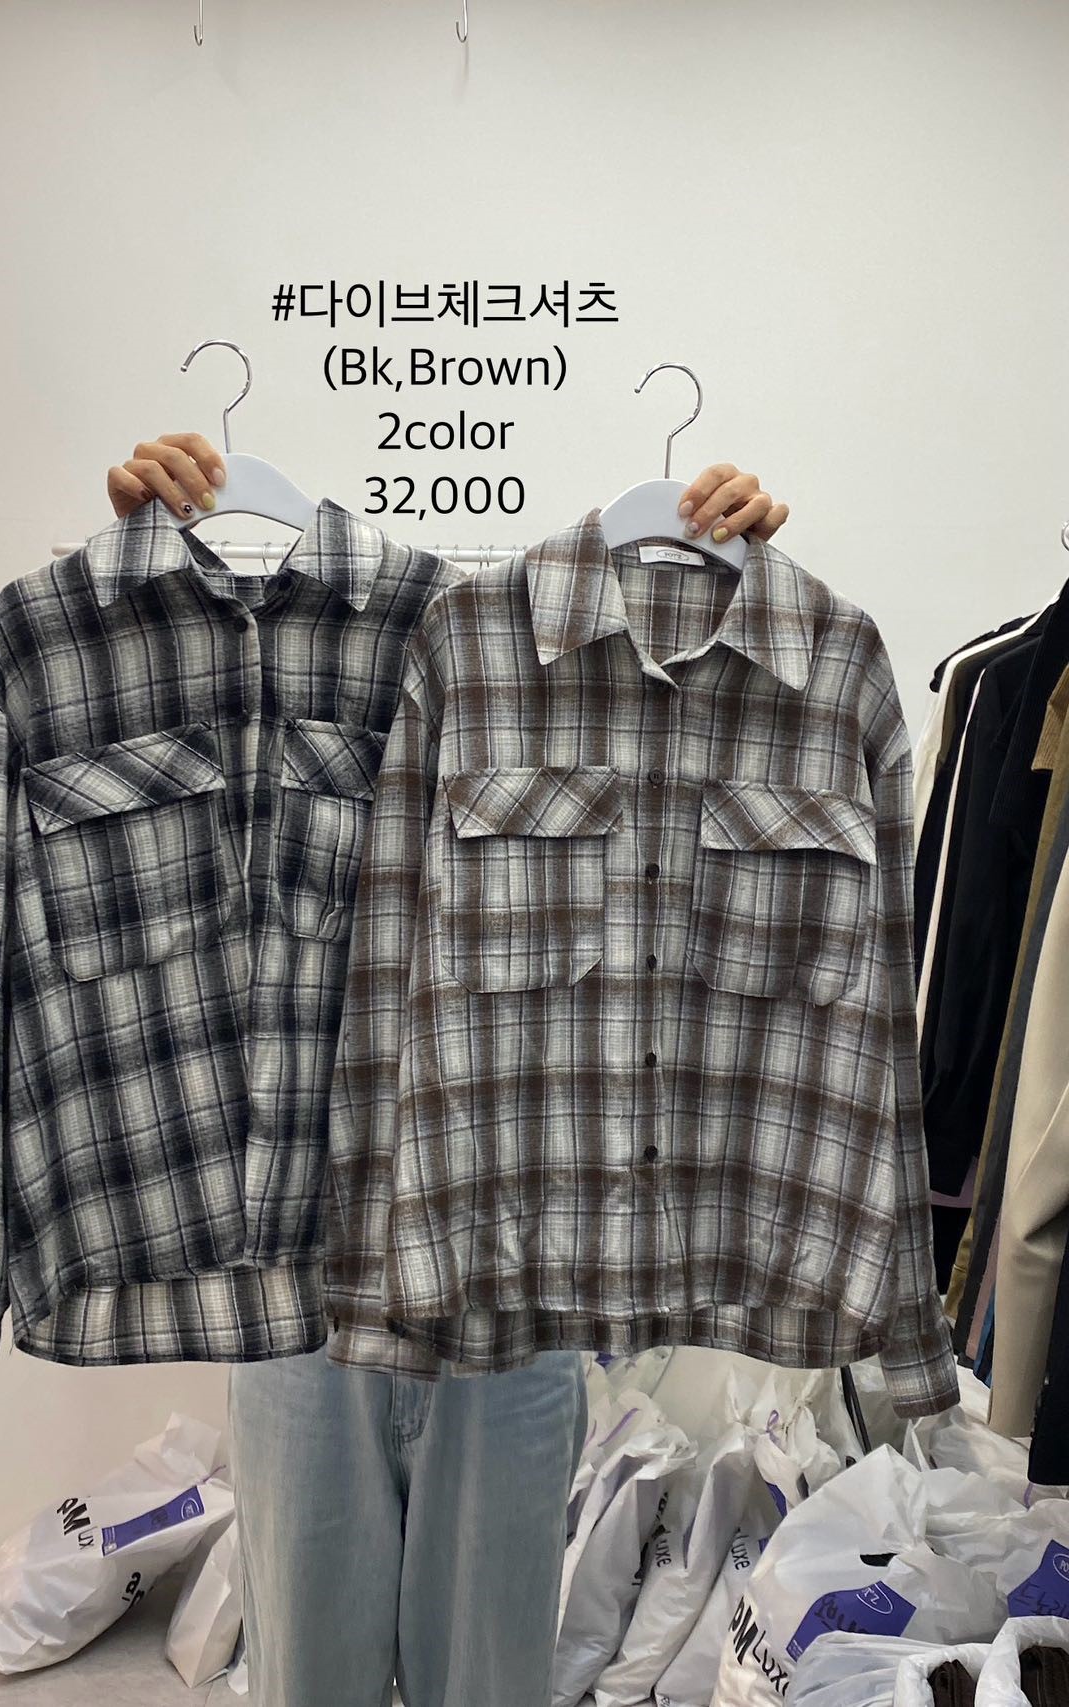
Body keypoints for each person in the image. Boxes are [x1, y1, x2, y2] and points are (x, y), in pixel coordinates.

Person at [104, 438, 791, 1707]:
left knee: (486, 1669)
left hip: (509, 1271)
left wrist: (732, 589)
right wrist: (148, 583)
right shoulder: (249, 675)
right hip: (299, 1268)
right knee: (310, 1666)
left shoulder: (586, 688)